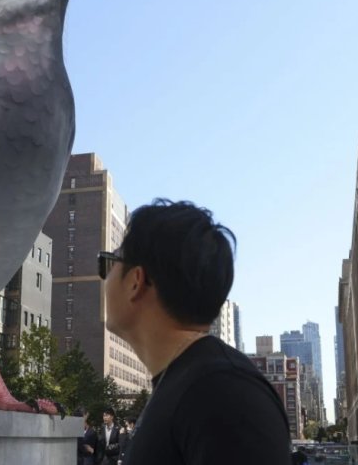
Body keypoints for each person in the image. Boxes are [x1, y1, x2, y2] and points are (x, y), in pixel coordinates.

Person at [99, 199, 292, 465]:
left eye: (108, 264)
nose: (104, 280)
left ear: (136, 281)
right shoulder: (193, 384)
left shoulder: (224, 393)